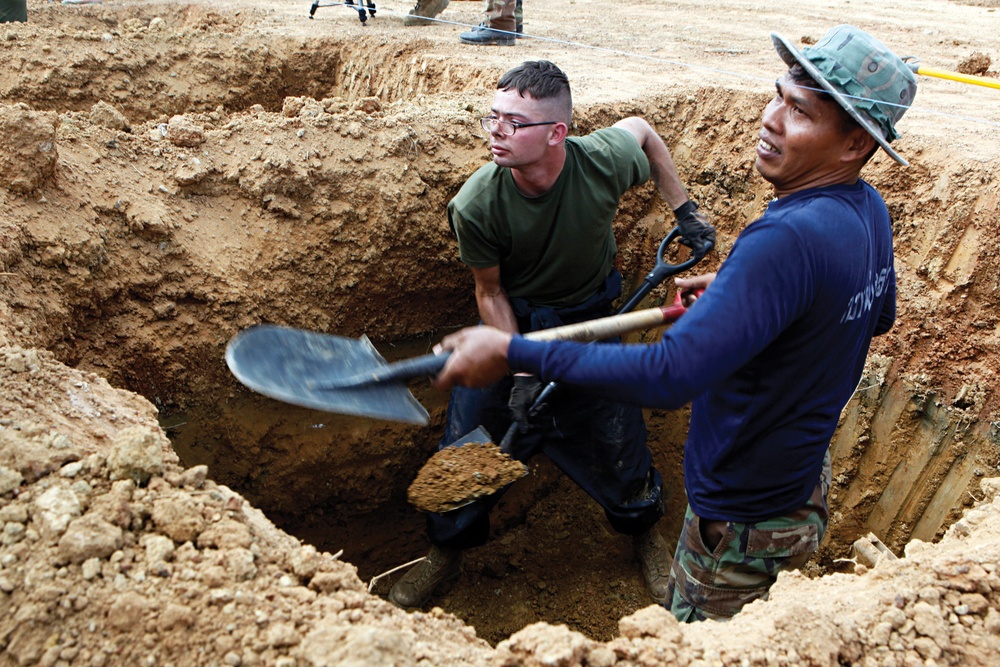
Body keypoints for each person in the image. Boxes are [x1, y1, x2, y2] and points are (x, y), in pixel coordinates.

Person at [428, 25, 917, 622]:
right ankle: (448, 548)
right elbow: (876, 314)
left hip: (739, 514)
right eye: (778, 97)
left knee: (700, 646)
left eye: (800, 113)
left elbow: (669, 377)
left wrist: (517, 354)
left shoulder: (783, 238)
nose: (771, 119)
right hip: (798, 479)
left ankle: (639, 530)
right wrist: (745, 299)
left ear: (852, 147)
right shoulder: (867, 209)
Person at [388, 60, 715, 609]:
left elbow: (643, 128)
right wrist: (518, 370)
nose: (496, 131)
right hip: (510, 329)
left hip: (593, 324)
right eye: (493, 117)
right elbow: (489, 294)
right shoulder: (477, 203)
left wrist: (685, 211)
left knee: (618, 443)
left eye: (515, 122)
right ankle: (446, 553)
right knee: (469, 447)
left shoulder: (601, 163)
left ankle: (643, 535)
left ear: (557, 133)